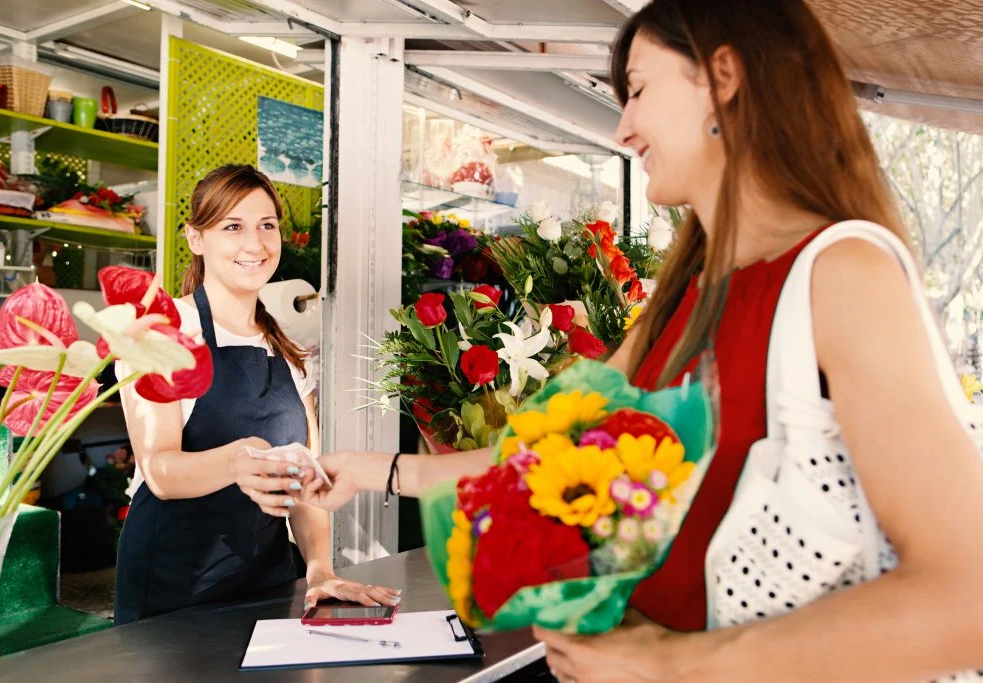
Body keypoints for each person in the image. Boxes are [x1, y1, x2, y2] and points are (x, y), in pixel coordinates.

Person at [300, 0, 983, 680]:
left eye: (638, 89)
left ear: (723, 75)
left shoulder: (841, 273)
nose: (624, 127)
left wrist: (674, 663)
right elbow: (541, 458)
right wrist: (374, 470)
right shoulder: (680, 301)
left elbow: (966, 601)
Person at [114, 165, 398, 624]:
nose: (256, 244)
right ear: (196, 239)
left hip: (267, 579)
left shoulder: (286, 346)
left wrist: (320, 570)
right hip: (173, 587)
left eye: (267, 225)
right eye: (233, 226)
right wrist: (237, 460)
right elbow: (159, 470)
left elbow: (308, 480)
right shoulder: (162, 333)